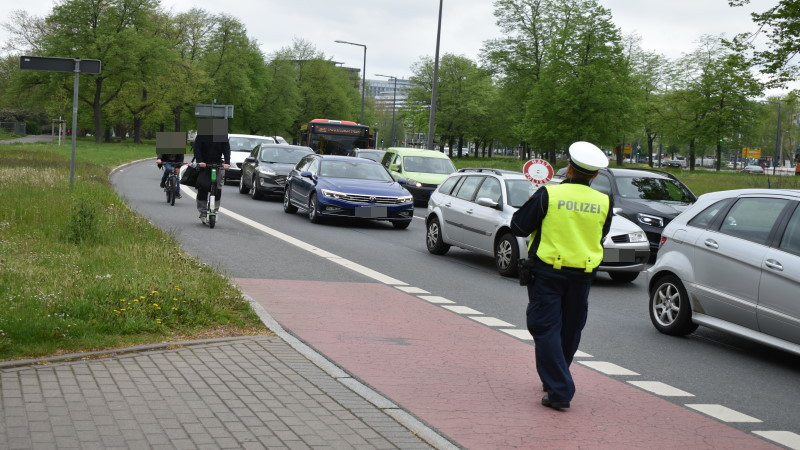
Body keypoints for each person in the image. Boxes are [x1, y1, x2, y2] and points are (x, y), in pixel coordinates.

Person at [510, 141, 613, 411]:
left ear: (568, 169)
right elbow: (600, 235)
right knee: (570, 328)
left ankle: (559, 389)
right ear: (595, 175)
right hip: (583, 274)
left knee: (544, 327)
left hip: (547, 272)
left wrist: (532, 200)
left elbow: (519, 226)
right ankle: (555, 377)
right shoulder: (604, 201)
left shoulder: (549, 194)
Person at [194, 134, 231, 221]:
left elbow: (226, 148)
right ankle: (203, 211)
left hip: (218, 164)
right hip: (204, 164)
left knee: (217, 188)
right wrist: (199, 161)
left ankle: (214, 210)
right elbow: (197, 147)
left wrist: (227, 162)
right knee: (202, 187)